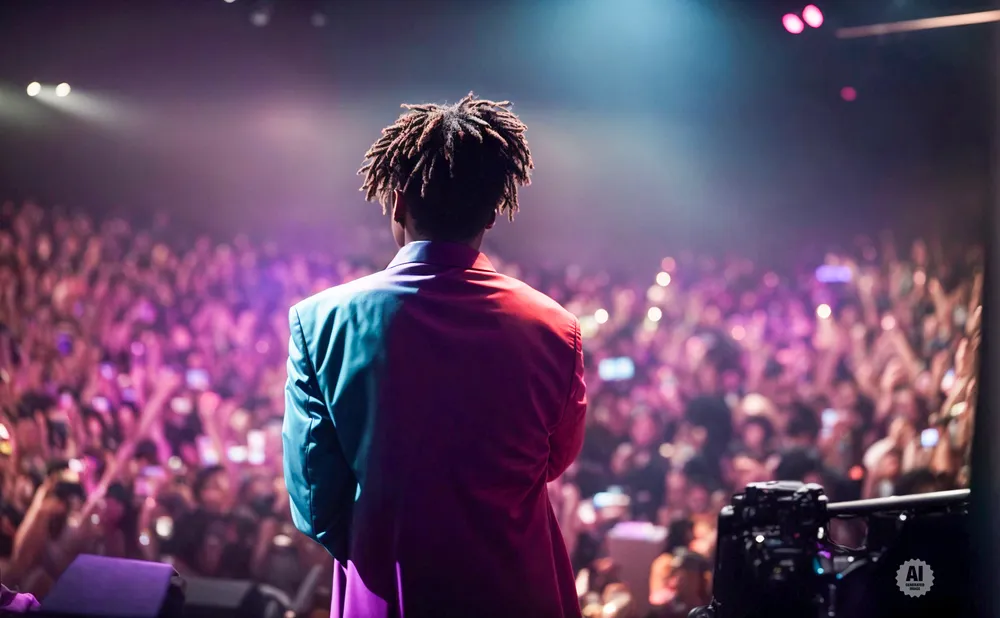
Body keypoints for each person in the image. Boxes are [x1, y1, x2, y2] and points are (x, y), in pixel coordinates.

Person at [282, 93, 587, 618]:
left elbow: (313, 498)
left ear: (397, 201)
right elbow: (553, 460)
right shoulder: (555, 327)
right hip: (517, 590)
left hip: (387, 591)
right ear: (493, 212)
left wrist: (385, 541)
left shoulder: (318, 321)